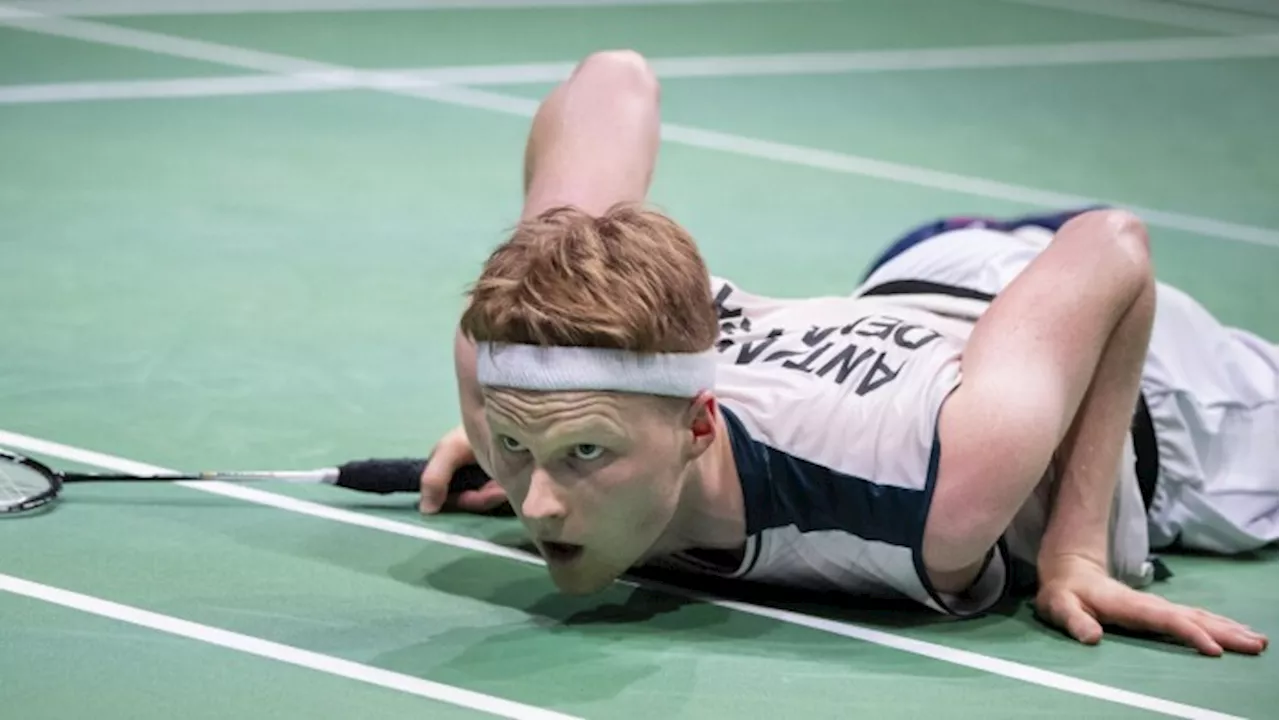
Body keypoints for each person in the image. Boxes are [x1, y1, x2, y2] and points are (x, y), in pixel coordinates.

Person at [417, 50, 1275, 657]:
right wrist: (524, 435)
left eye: (588, 454)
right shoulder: (510, 356)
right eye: (521, 450)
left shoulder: (931, 493)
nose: (541, 506)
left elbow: (1112, 246)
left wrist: (1076, 550)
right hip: (914, 279)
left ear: (699, 424)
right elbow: (612, 77)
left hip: (1146, 385)